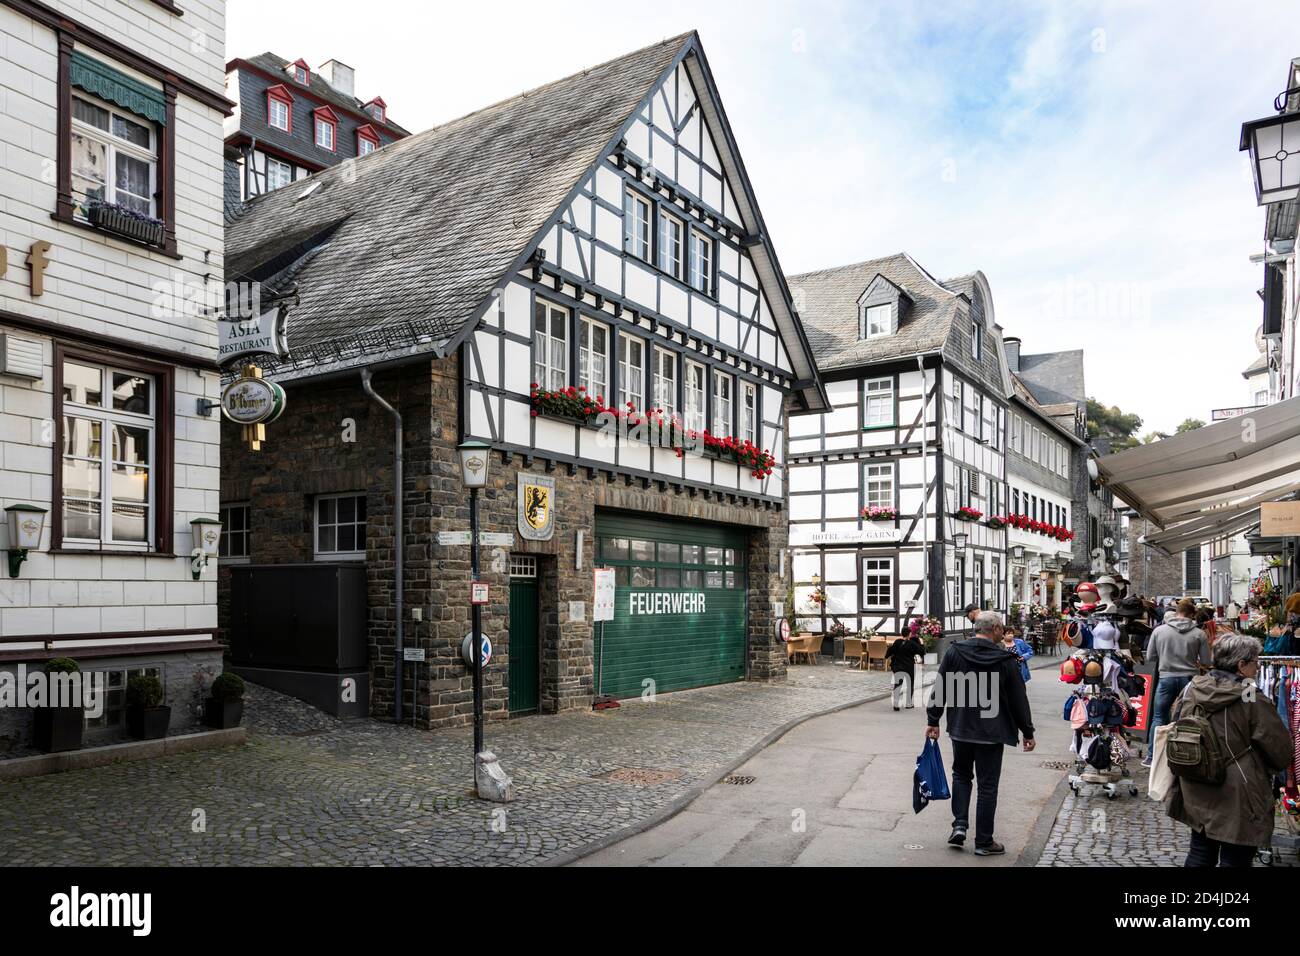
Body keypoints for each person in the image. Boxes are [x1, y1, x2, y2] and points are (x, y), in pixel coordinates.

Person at [1164, 635, 1292, 867]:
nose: (1258, 666)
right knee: (1236, 857)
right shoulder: (1249, 695)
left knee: (1201, 851)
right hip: (1237, 789)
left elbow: (1176, 722)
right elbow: (1278, 748)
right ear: (1241, 665)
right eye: (1255, 661)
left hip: (1195, 778)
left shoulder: (1192, 688)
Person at [926, 611, 1036, 857]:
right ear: (996, 629)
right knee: (987, 786)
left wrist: (933, 719)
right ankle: (984, 841)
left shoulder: (955, 652)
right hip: (991, 732)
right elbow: (1019, 700)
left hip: (961, 728)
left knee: (961, 776)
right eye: (1002, 628)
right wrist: (1027, 731)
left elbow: (941, 686)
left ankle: (960, 825)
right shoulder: (1006, 660)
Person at [1144, 597, 1211, 765]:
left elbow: (1150, 657)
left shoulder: (1159, 631)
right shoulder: (1199, 633)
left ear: (1177, 612)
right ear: (1191, 614)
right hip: (1189, 680)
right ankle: (1185, 755)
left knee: (1159, 717)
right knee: (1188, 717)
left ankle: (1152, 757)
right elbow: (1206, 661)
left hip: (1166, 677)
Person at [886, 633, 926, 711]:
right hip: (909, 667)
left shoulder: (897, 642)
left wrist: (887, 656)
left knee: (898, 684)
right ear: (909, 634)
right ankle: (908, 704)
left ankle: (896, 704)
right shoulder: (912, 644)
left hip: (898, 666)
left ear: (902, 633)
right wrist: (921, 644)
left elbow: (890, 651)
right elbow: (922, 651)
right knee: (910, 684)